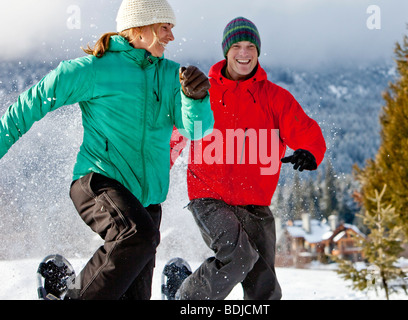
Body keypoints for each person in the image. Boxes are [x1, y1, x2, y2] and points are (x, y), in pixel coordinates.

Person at [0, 0, 214, 300]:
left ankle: (72, 292)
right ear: (141, 28)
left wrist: (196, 98)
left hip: (147, 202)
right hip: (98, 182)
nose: (171, 37)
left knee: (132, 291)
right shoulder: (95, 69)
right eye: (165, 28)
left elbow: (198, 130)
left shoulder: (171, 76)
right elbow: (32, 101)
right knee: (137, 235)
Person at [168, 17, 326, 300]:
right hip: (209, 197)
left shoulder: (275, 98)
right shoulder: (204, 93)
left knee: (263, 284)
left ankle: (185, 287)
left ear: (258, 51)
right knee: (238, 256)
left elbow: (305, 130)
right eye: (237, 46)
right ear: (226, 52)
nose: (244, 53)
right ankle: (186, 299)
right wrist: (153, 170)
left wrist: (310, 151)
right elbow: (173, 135)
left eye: (250, 46)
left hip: (255, 201)